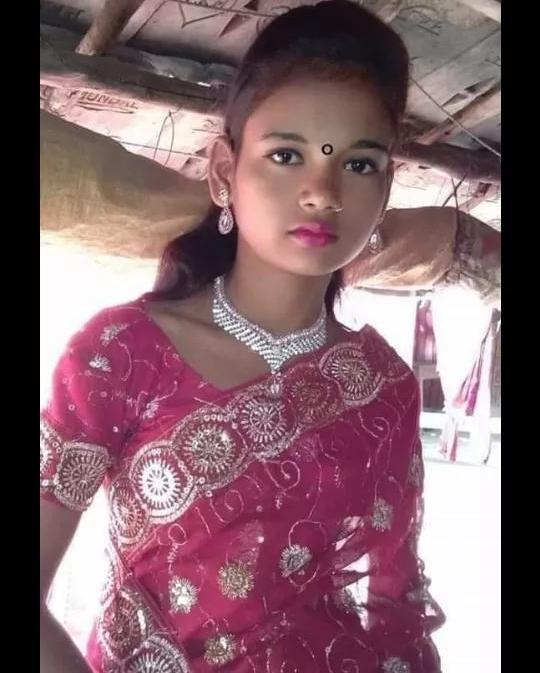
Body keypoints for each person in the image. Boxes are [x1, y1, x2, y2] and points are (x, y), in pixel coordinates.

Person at [40, 2, 444, 671]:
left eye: (359, 164)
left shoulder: (384, 385)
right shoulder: (121, 353)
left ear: (386, 189)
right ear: (225, 172)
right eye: (286, 155)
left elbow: (396, 604)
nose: (322, 191)